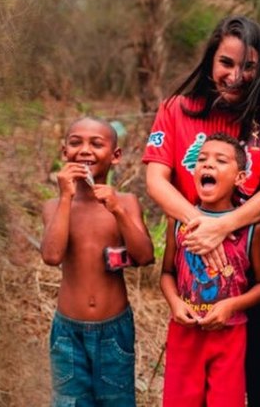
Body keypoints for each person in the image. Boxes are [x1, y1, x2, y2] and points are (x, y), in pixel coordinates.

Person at [143, 15, 260, 406]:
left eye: (248, 67)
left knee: (255, 375)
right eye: (227, 62)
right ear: (211, 59)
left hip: (254, 271)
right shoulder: (176, 110)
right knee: (191, 384)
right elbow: (156, 181)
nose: (236, 75)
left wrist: (223, 226)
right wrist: (200, 226)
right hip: (192, 264)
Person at [41, 117, 155, 407]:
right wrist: (66, 197)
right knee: (69, 402)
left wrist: (117, 210)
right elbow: (52, 256)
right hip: (68, 334)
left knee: (116, 400)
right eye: (76, 142)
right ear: (64, 151)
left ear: (115, 156)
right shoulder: (54, 207)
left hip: (114, 332)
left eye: (97, 144)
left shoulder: (126, 202)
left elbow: (145, 256)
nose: (85, 150)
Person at [160, 132, 260, 407]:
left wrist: (231, 305)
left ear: (240, 178)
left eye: (220, 161)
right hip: (184, 333)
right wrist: (175, 302)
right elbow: (167, 274)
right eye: (201, 159)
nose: (208, 165)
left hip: (230, 335)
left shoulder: (250, 230)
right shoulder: (178, 222)